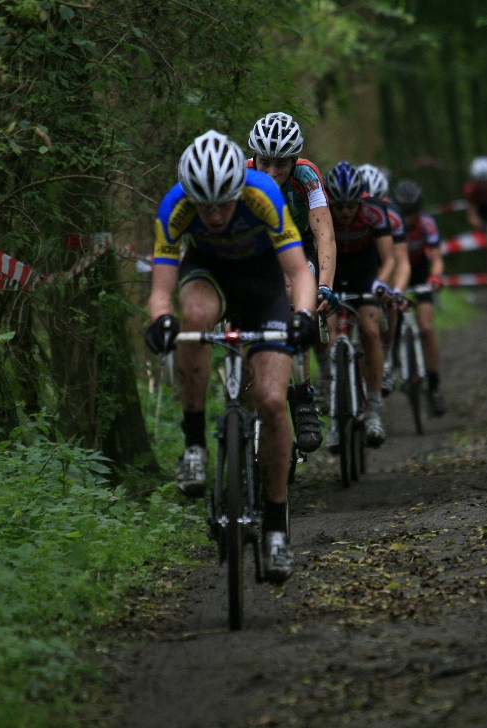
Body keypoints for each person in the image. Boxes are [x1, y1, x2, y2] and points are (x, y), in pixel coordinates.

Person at [145, 130, 317, 583]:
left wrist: (303, 315)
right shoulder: (174, 206)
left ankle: (276, 530)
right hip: (208, 274)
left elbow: (299, 270)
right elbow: (161, 291)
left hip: (263, 283)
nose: (216, 215)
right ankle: (195, 446)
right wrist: (161, 321)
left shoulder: (262, 194)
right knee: (195, 318)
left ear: (238, 189)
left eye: (224, 204)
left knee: (273, 401)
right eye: (205, 207)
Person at [247, 112, 338, 453]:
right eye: (265, 163)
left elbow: (324, 233)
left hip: (298, 248)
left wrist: (324, 285)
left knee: (297, 306)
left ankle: (303, 396)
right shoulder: (240, 177)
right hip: (255, 250)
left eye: (281, 164)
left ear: (294, 161)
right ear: (255, 158)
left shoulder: (306, 176)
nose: (272, 172)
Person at [321, 161, 401, 450]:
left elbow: (389, 259)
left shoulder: (373, 211)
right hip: (332, 273)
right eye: (339, 206)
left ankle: (374, 410)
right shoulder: (321, 211)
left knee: (369, 330)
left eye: (350, 205)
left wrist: (380, 284)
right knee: (327, 334)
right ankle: (334, 414)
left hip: (365, 274)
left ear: (360, 199)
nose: (345, 212)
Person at [392, 179, 447, 416]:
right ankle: (392, 361)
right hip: (397, 276)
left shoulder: (427, 224)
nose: (407, 219)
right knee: (392, 322)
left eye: (412, 213)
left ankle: (433, 385)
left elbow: (436, 257)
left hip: (421, 275)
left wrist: (435, 277)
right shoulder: (391, 223)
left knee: (426, 327)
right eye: (403, 213)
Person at [358, 163, 407, 397]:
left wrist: (396, 290)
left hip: (383, 260)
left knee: (390, 298)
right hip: (361, 259)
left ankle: (386, 358)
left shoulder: (392, 216)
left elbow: (397, 260)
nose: (372, 208)